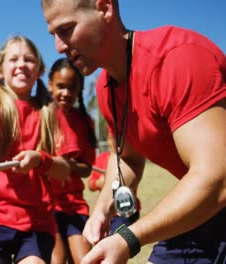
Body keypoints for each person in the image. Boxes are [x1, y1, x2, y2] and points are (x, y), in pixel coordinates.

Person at [42, 0, 226, 263]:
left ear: (104, 8)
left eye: (66, 30)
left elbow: (218, 178)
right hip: (206, 213)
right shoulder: (106, 87)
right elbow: (128, 158)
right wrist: (101, 212)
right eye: (54, 35)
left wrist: (129, 238)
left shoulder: (177, 57)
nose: (59, 46)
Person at [0, 35, 81, 264]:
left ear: (39, 70)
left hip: (37, 224)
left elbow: (64, 171)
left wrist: (40, 160)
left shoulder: (51, 112)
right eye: (13, 59)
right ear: (0, 70)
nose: (21, 64)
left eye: (29, 59)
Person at [47, 58, 96, 264]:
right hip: (47, 206)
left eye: (72, 87)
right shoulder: (42, 116)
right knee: (56, 261)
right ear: (50, 85)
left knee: (86, 260)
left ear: (80, 89)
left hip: (75, 206)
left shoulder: (86, 122)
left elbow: (86, 170)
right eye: (60, 86)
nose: (66, 92)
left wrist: (65, 165)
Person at [87, 133, 140, 235]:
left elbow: (133, 184)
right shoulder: (101, 158)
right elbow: (90, 184)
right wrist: (99, 183)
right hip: (107, 213)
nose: (116, 142)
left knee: (121, 243)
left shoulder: (128, 158)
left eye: (119, 138)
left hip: (125, 210)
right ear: (108, 139)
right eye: (113, 138)